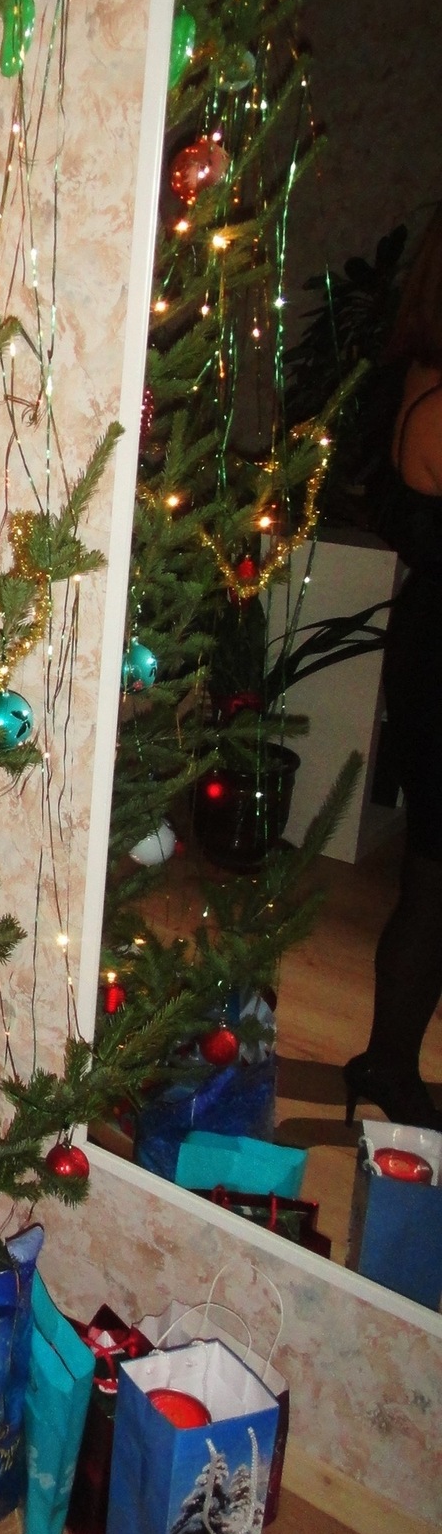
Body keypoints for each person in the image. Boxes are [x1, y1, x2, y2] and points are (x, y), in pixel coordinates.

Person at [346, 203, 442, 1131]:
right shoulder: (438, 397)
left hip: (430, 641)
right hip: (440, 656)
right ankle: (388, 1065)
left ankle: (386, 1058)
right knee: (435, 879)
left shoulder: (417, 379)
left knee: (433, 874)